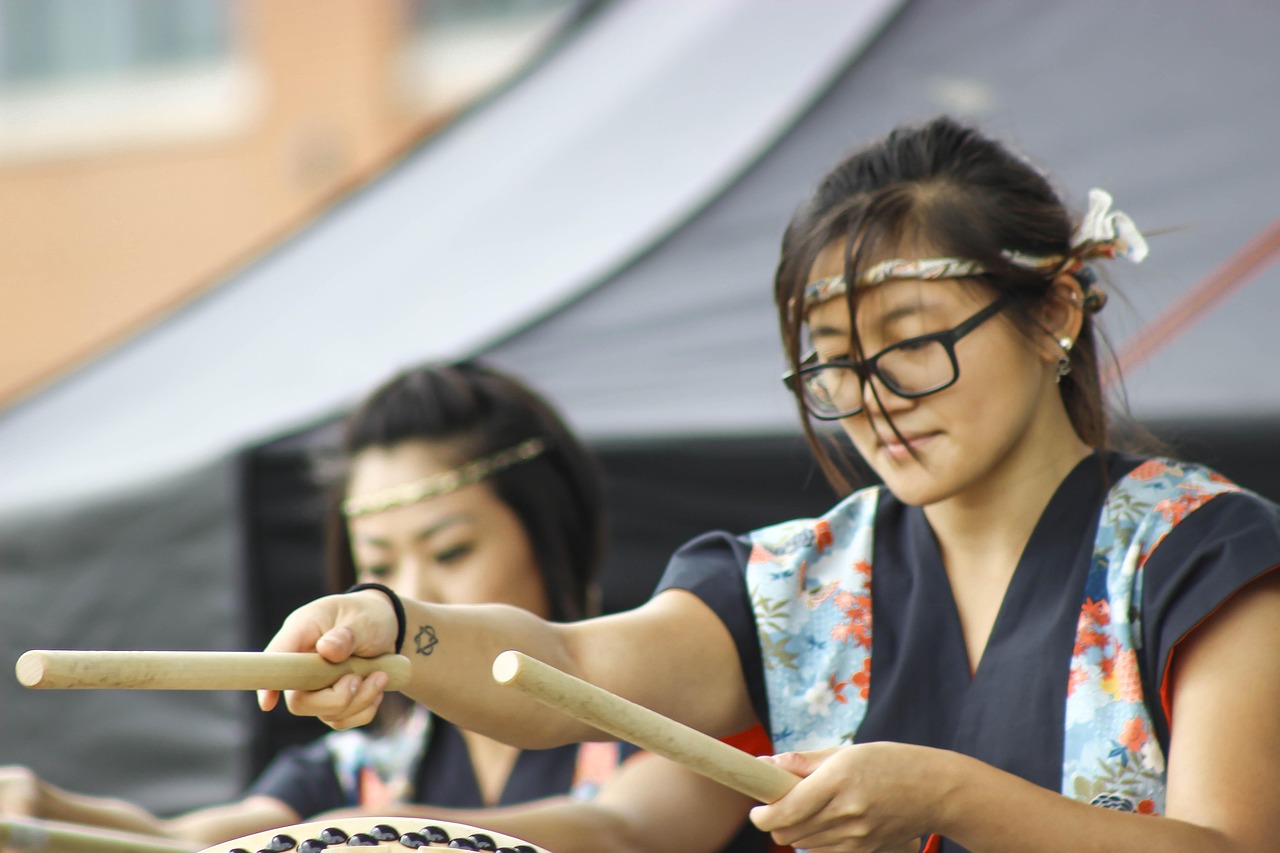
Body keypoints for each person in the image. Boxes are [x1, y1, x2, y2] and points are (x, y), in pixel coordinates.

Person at [260, 117, 1280, 853]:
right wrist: (395, 627)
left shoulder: (1199, 554)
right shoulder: (803, 585)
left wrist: (944, 794)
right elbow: (568, 664)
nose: (870, 397)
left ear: (1055, 309)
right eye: (832, 359)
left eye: (911, 343)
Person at [2, 362, 765, 853]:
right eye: (378, 566)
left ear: (549, 533)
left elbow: (622, 833)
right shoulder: (371, 761)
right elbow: (193, 836)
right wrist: (46, 814)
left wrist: (367, 838)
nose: (412, 595)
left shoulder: (679, 690)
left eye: (451, 550)